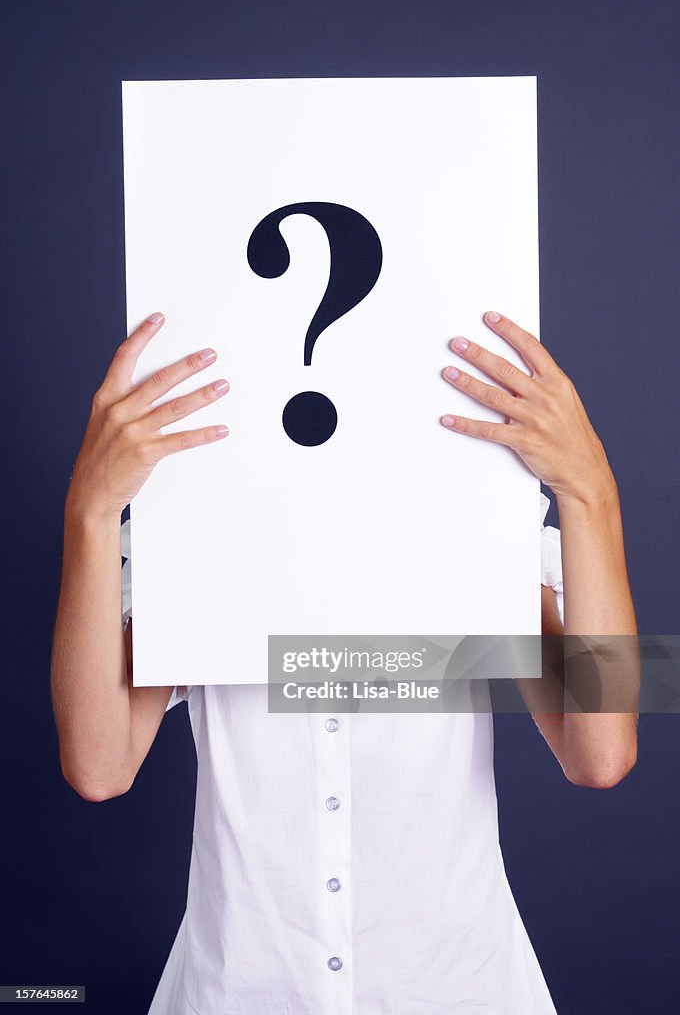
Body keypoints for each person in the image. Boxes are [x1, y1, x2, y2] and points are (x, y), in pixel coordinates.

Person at [51, 308, 639, 1014]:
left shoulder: (471, 533)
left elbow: (601, 752)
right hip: (240, 991)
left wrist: (589, 490)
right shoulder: (205, 537)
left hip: (459, 989)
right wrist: (89, 509)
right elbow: (98, 764)